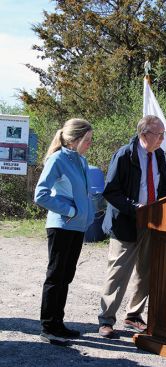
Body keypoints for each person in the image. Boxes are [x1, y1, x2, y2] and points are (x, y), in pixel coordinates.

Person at [98, 115, 166, 338]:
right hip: (126, 222)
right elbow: (110, 191)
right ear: (143, 134)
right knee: (118, 272)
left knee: (145, 271)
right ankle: (106, 320)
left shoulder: (159, 155)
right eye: (158, 135)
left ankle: (133, 315)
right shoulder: (124, 155)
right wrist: (134, 207)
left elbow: (163, 188)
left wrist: (164, 209)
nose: (161, 139)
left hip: (151, 222)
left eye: (163, 135)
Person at [34, 118, 95, 344]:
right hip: (61, 226)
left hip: (77, 227)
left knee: (66, 276)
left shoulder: (81, 160)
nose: (90, 143)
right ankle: (48, 327)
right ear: (73, 139)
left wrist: (86, 216)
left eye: (90, 139)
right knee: (56, 275)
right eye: (86, 139)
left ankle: (58, 324)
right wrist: (69, 211)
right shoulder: (58, 159)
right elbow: (40, 195)